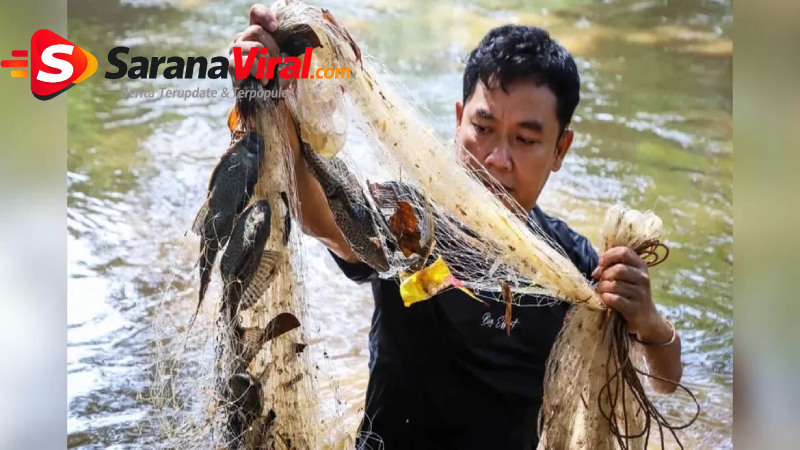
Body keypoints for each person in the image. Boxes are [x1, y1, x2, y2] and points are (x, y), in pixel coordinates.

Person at [228, 5, 683, 449]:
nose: (496, 160)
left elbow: (663, 380)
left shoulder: (572, 267)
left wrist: (648, 320)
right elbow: (317, 213)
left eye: (525, 140)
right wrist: (268, 95)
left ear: (561, 150)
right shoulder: (407, 220)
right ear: (458, 118)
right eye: (482, 128)